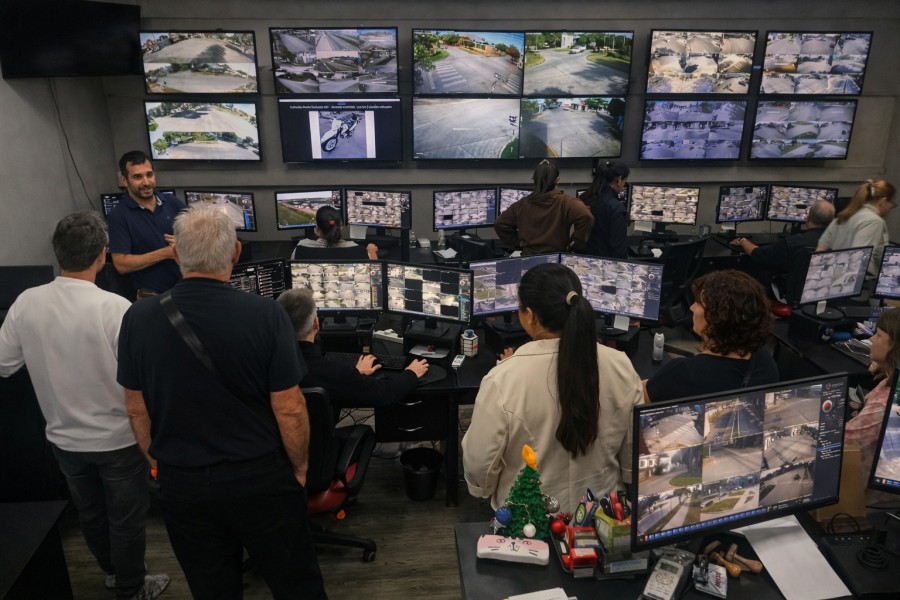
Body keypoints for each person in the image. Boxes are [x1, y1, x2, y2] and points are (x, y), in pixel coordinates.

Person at [117, 206, 326, 599]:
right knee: (296, 583)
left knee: (212, 588)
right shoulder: (266, 314)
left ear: (176, 254)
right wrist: (299, 469)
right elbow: (290, 407)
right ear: (235, 253)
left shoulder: (138, 318)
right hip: (259, 477)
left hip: (184, 483)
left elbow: (135, 407)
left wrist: (160, 467)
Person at [0, 211, 169, 600]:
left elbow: (5, 365)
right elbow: (143, 383)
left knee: (91, 515)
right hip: (118, 440)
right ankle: (131, 588)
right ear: (102, 255)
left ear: (59, 254)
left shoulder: (26, 301)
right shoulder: (116, 309)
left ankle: (112, 573)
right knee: (126, 520)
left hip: (63, 439)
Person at [461, 263, 643, 511]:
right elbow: (632, 459)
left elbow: (479, 468)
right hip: (601, 519)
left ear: (530, 315)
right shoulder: (622, 366)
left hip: (529, 522)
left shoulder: (502, 379)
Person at [277, 287, 428, 409]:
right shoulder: (332, 372)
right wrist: (411, 373)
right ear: (316, 324)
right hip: (321, 442)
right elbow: (383, 394)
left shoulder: (266, 364)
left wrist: (357, 373)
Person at [644, 269, 778, 404]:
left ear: (717, 317)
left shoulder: (685, 372)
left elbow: (638, 397)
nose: (692, 308)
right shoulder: (765, 361)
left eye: (698, 303)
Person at [108, 150, 186, 298]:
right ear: (124, 180)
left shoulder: (173, 203)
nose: (146, 182)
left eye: (149, 175)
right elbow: (121, 265)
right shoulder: (118, 216)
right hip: (151, 295)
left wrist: (185, 243)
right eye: (137, 177)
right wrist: (167, 253)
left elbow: (197, 238)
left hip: (185, 288)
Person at [845, 308, 900, 492]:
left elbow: (840, 444)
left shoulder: (883, 406)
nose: (871, 339)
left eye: (878, 335)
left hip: (867, 492)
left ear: (895, 347)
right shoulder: (892, 381)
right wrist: (885, 364)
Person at [732, 199, 835, 293]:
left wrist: (742, 241)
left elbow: (757, 254)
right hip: (823, 291)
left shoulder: (792, 242)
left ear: (808, 218)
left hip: (790, 293)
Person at [816, 179, 897, 297]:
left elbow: (820, 250)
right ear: (883, 201)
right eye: (891, 204)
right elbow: (858, 257)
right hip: (855, 289)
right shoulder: (874, 221)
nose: (890, 208)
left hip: (830, 285)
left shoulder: (843, 217)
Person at [493, 160, 594, 256]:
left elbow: (500, 224)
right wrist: (575, 243)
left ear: (534, 179)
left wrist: (518, 243)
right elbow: (586, 216)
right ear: (557, 180)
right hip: (555, 260)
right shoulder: (566, 202)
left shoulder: (521, 205)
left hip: (528, 259)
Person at [579, 161, 630, 259]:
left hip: (582, 260)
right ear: (619, 180)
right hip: (604, 265)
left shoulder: (584, 198)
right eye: (625, 181)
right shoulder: (617, 208)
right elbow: (618, 250)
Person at [292, 205, 378, 260]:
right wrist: (371, 251)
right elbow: (376, 273)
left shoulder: (300, 249)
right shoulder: (358, 250)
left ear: (317, 229)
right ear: (340, 227)